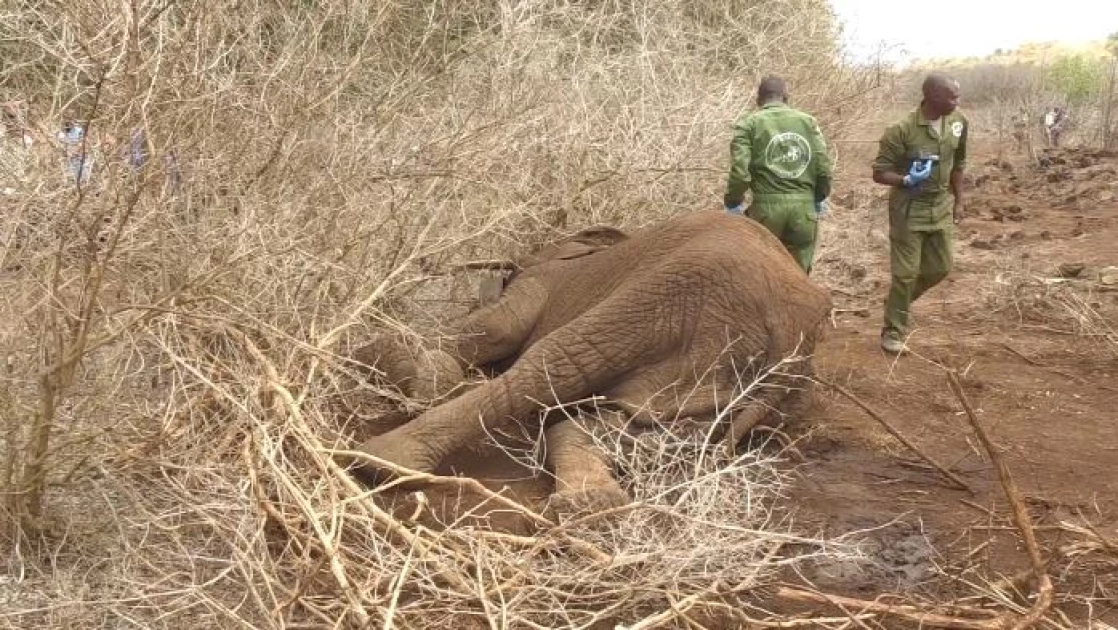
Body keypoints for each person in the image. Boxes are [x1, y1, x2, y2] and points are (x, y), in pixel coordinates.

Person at [871, 73, 968, 354]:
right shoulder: (901, 130)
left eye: (957, 95)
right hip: (909, 208)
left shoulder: (959, 123)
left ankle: (896, 305)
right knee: (905, 274)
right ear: (933, 97)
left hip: (940, 206)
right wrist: (904, 180)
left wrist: (959, 201)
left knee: (940, 267)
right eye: (952, 97)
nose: (957, 101)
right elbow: (879, 173)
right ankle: (893, 330)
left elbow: (959, 163)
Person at [723, 75, 833, 273]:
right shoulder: (808, 122)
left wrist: (733, 202)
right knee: (798, 278)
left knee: (763, 274)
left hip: (765, 212)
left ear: (759, 100)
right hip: (803, 212)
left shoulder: (748, 124)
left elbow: (740, 172)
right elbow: (823, 168)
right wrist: (817, 198)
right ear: (786, 97)